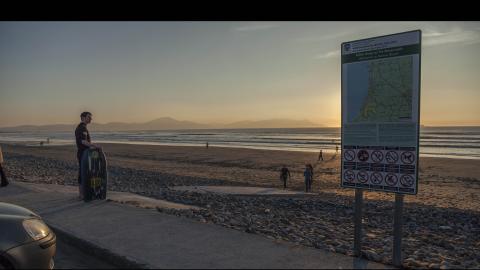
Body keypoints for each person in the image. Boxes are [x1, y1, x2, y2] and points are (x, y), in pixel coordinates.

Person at [75, 112, 102, 200]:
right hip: (83, 154)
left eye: (91, 117)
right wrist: (94, 146)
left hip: (85, 154)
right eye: (88, 117)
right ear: (83, 117)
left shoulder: (84, 127)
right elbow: (83, 141)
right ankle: (81, 194)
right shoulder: (81, 128)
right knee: (82, 172)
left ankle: (84, 193)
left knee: (86, 172)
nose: (90, 119)